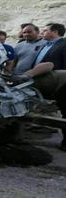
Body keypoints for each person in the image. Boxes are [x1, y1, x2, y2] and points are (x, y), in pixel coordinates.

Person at [30, 23, 66, 151]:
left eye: (45, 30)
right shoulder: (45, 45)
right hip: (44, 82)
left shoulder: (63, 44)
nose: (42, 32)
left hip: (59, 84)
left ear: (55, 32)